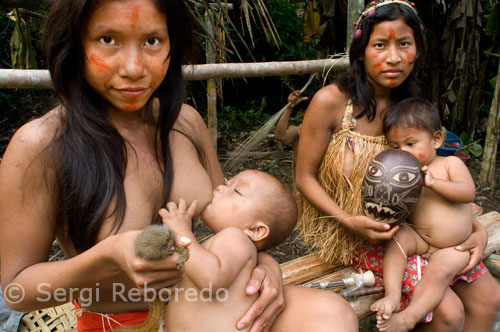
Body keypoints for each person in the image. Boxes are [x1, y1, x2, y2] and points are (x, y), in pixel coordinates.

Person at [0, 1, 326, 331]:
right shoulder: (41, 145)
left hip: (207, 309)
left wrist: (266, 265)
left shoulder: (185, 122)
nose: (133, 68)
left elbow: (237, 226)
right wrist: (108, 254)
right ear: (75, 42)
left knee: (330, 315)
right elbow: (16, 290)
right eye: (108, 39)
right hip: (118, 321)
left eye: (152, 41)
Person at [294, 1, 500, 331]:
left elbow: (431, 183)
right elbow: (303, 178)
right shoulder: (331, 102)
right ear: (361, 51)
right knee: (447, 313)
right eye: (380, 45)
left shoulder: (412, 111)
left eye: (404, 44)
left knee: (490, 297)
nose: (393, 57)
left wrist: (470, 229)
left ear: (417, 51)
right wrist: (350, 221)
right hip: (356, 239)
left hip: (415, 233)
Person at [160, 170, 357, 332]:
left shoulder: (234, 238)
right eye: (228, 183)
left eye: (236, 191)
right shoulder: (226, 246)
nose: (220, 187)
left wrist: (180, 232)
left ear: (255, 230)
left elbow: (211, 280)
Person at [370, 98, 476, 332]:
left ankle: (409, 317)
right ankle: (393, 296)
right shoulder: (404, 173)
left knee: (439, 272)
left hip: (453, 248)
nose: (403, 153)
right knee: (399, 240)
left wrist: (435, 183)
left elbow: (468, 192)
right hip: (421, 239)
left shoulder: (449, 165)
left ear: (436, 139)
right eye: (395, 147)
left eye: (410, 143)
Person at [274, 90, 311, 163]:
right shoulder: (299, 130)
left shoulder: (330, 132)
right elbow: (280, 136)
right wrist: (289, 108)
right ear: (302, 112)